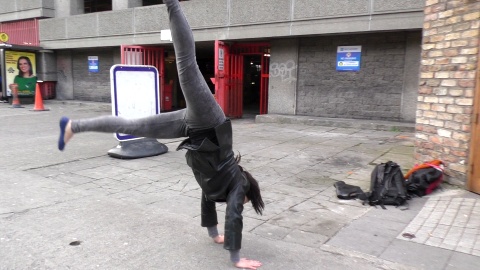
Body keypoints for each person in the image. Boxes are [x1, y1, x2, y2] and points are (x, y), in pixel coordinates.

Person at [57, 1, 264, 269]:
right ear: (249, 191)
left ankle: (74, 126)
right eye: (247, 201)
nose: (242, 203)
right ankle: (172, 3)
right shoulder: (239, 185)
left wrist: (214, 235)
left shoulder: (216, 187)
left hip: (191, 129)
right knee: (187, 65)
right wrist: (236, 258)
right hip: (210, 123)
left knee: (133, 126)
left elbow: (208, 200)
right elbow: (234, 214)